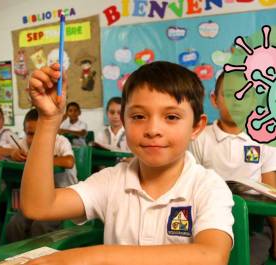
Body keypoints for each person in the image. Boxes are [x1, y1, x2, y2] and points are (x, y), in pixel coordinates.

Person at [20, 61, 234, 265]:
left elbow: (211, 256)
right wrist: (48, 121)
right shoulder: (112, 180)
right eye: (139, 116)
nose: (153, 129)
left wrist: (96, 257)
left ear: (197, 127)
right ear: (124, 122)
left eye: (171, 117)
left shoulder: (208, 187)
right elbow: (38, 207)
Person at [189, 71, 276, 265]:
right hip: (206, 220)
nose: (237, 100)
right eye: (229, 94)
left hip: (253, 225)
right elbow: (189, 184)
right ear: (214, 100)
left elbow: (272, 194)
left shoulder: (265, 139)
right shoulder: (200, 137)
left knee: (247, 260)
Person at [5, 108, 78, 243]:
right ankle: (18, 259)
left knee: (40, 226)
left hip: (62, 196)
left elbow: (69, 161)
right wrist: (12, 153)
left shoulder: (60, 141)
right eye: (31, 134)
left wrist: (40, 159)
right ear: (25, 132)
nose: (35, 139)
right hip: (37, 197)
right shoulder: (24, 143)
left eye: (40, 133)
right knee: (14, 225)